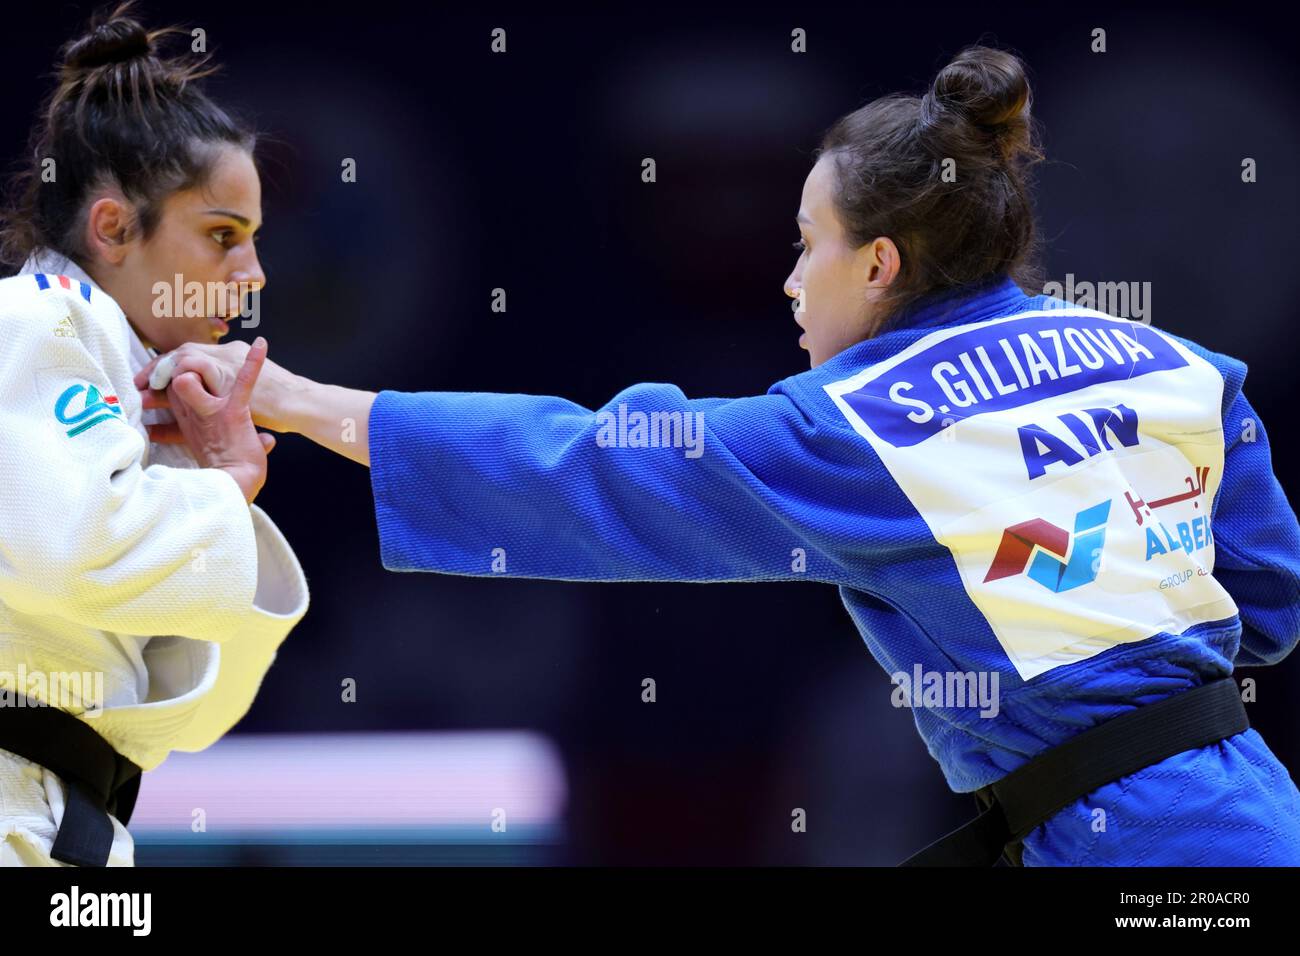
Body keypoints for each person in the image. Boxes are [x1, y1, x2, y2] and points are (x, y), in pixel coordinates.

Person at [141, 46, 1300, 865]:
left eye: (808, 246)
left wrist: (289, 397)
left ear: (881, 264)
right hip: (1246, 813)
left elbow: (584, 465)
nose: (789, 282)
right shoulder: (1182, 366)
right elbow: (1264, 598)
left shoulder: (857, 425)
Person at [0, 2, 308, 867]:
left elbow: (191, 716)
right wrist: (223, 489)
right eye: (222, 237)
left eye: (252, 242)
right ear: (112, 228)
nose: (251, 279)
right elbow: (78, 555)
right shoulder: (37, 321)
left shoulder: (127, 383)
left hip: (72, 820)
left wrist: (216, 478)